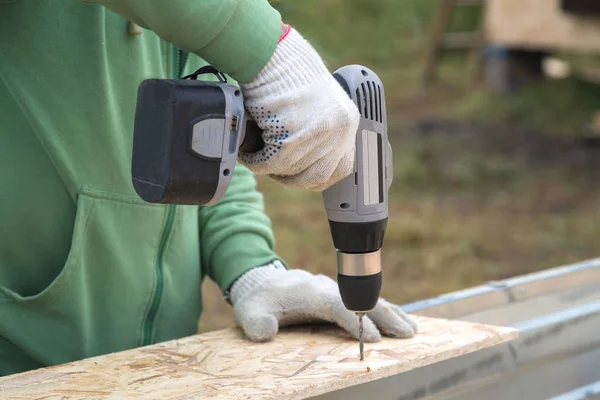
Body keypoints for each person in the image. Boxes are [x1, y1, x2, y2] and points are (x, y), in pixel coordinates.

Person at [0, 0, 416, 376]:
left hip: (157, 370)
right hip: (22, 367)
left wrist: (252, 268)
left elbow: (212, 146)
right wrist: (261, 45)